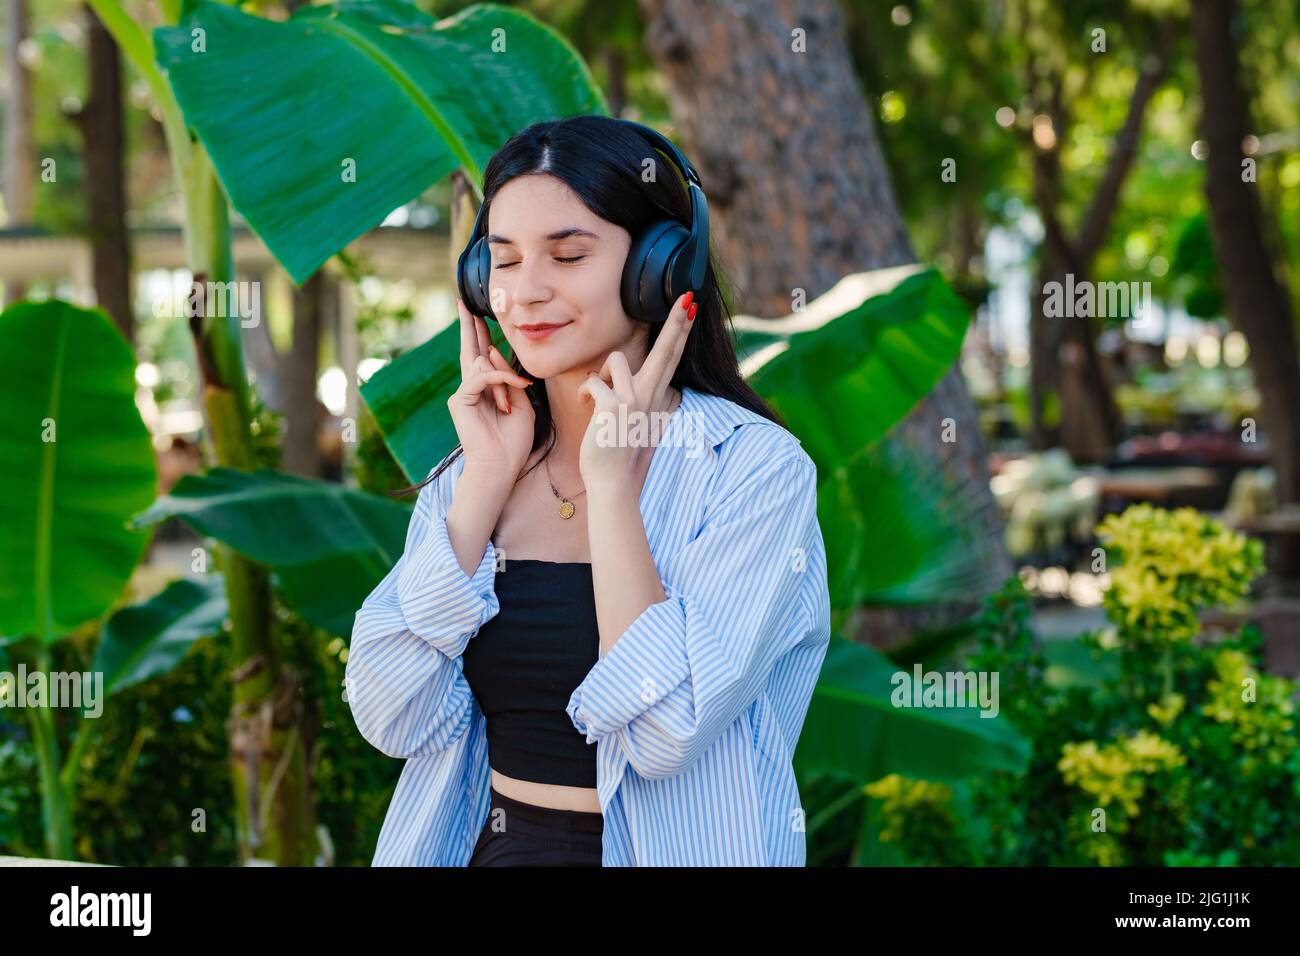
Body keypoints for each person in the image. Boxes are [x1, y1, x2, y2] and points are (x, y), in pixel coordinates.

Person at [345, 115, 830, 866]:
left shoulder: (753, 470)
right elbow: (389, 714)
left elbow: (665, 731)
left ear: (663, 266)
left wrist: (610, 492)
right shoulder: (475, 471)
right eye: (501, 262)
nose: (526, 292)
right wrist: (482, 487)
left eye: (568, 255)